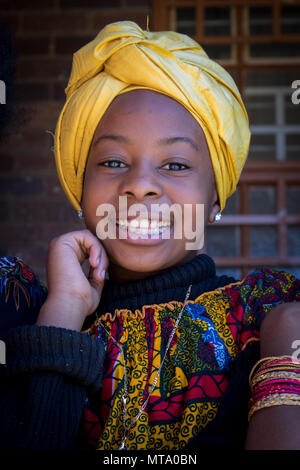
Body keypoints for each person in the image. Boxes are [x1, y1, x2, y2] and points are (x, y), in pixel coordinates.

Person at [0, 21, 299, 451]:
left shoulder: (270, 316)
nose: (140, 185)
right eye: (113, 162)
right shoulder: (25, 316)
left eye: (175, 165)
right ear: (80, 189)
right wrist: (63, 313)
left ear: (216, 198)